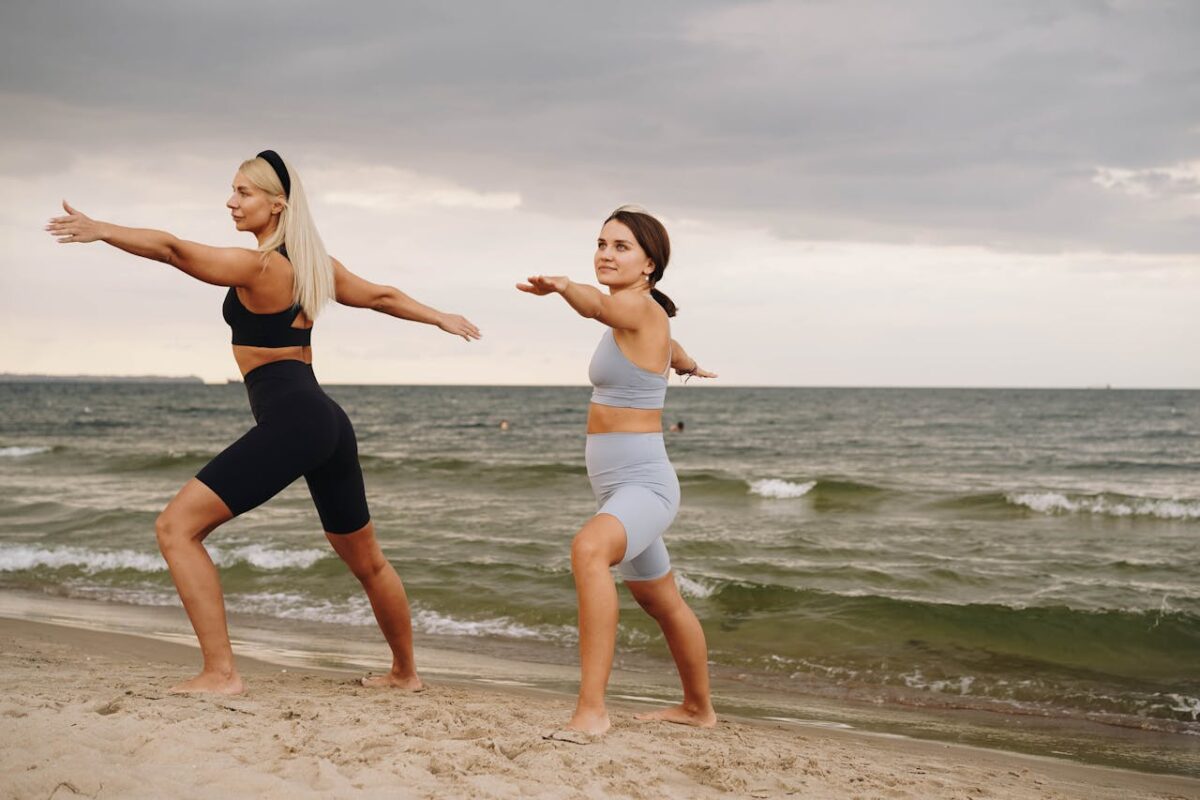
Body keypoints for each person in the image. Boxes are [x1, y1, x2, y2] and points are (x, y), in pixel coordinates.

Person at [46, 150, 480, 695]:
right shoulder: (316, 267)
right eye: (231, 191)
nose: (231, 202)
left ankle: (221, 673)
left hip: (297, 420)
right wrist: (440, 316)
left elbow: (174, 250)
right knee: (368, 561)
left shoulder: (261, 266)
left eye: (243, 193)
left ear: (277, 205)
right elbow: (383, 296)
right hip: (326, 421)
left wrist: (102, 229)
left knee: (176, 529)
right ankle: (405, 675)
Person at [517, 205, 718, 740]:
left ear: (649, 264)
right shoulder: (639, 314)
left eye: (621, 246)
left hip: (645, 487)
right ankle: (698, 708)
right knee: (662, 600)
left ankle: (591, 711)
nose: (606, 254)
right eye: (601, 244)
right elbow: (664, 345)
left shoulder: (637, 309)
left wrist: (564, 285)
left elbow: (595, 310)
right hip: (616, 488)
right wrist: (686, 362)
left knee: (588, 551)